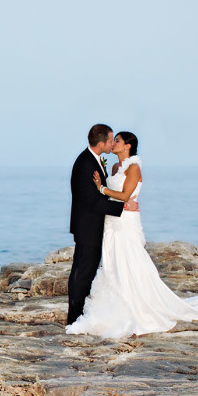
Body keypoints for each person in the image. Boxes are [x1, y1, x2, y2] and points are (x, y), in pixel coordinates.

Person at [66, 130, 198, 339]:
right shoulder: (114, 167)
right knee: (113, 262)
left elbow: (124, 196)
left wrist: (101, 189)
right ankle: (114, 305)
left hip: (125, 222)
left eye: (118, 141)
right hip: (111, 221)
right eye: (112, 140)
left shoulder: (134, 167)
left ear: (128, 146)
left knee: (130, 260)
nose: (113, 144)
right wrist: (104, 192)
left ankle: (140, 305)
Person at [66, 124, 133, 326]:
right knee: (82, 273)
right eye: (111, 140)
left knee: (85, 271)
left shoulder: (93, 160)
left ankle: (77, 316)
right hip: (88, 227)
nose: (113, 144)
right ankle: (75, 319)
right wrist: (122, 208)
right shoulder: (85, 164)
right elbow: (91, 201)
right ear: (102, 143)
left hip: (93, 226)